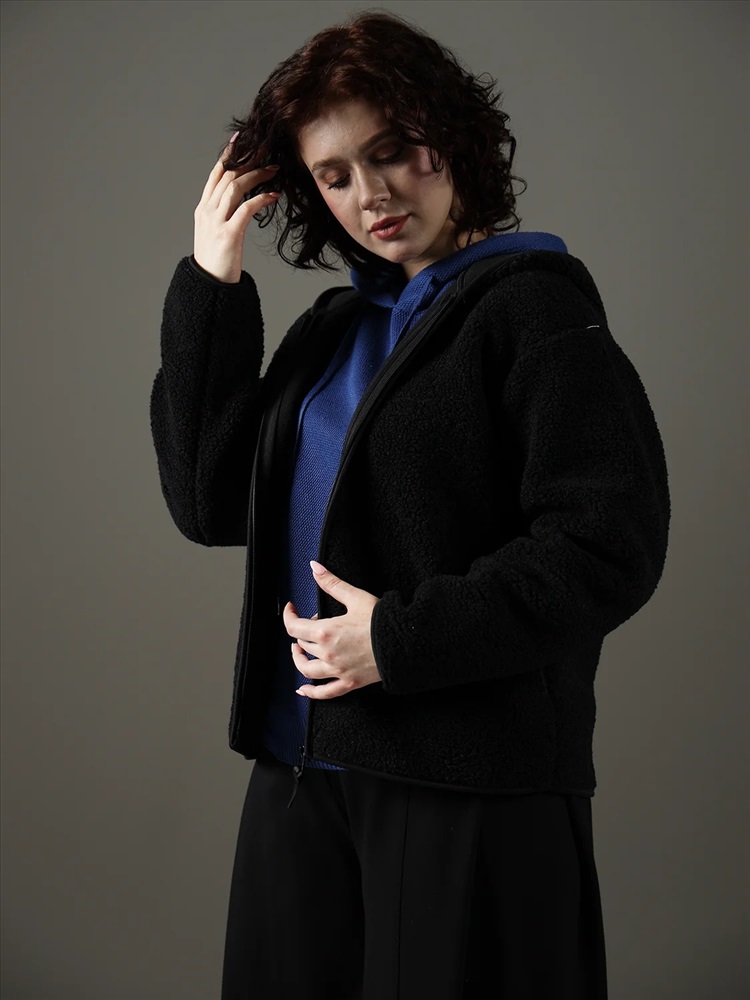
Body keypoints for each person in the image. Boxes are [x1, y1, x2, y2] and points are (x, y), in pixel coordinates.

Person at [149, 10, 670, 1000]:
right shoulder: (332, 330)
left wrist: (399, 640)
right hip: (300, 774)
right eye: (335, 175)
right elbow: (208, 500)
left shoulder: (537, 309)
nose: (372, 194)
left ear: (451, 134)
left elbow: (609, 545)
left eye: (391, 151)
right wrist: (211, 284)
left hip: (467, 784)